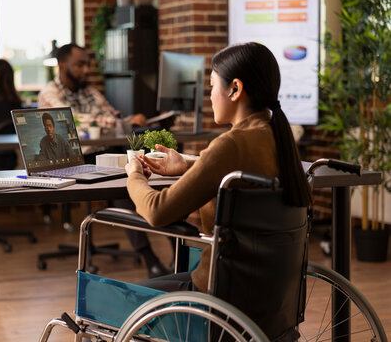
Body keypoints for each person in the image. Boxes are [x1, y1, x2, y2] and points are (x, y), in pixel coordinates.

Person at [124, 42, 312, 292]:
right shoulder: (276, 136)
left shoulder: (231, 144)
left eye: (212, 86)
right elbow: (238, 175)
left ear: (235, 88)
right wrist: (187, 164)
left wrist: (134, 174)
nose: (210, 95)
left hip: (219, 290)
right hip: (268, 293)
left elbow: (157, 211)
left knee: (118, 299)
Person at [38, 43, 169, 278]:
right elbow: (69, 120)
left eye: (87, 64)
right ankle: (150, 258)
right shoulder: (49, 93)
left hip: (103, 154)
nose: (86, 70)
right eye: (80, 65)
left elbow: (110, 116)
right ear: (62, 66)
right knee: (125, 190)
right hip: (72, 160)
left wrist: (127, 120)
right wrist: (117, 122)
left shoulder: (90, 92)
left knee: (147, 179)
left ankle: (175, 254)